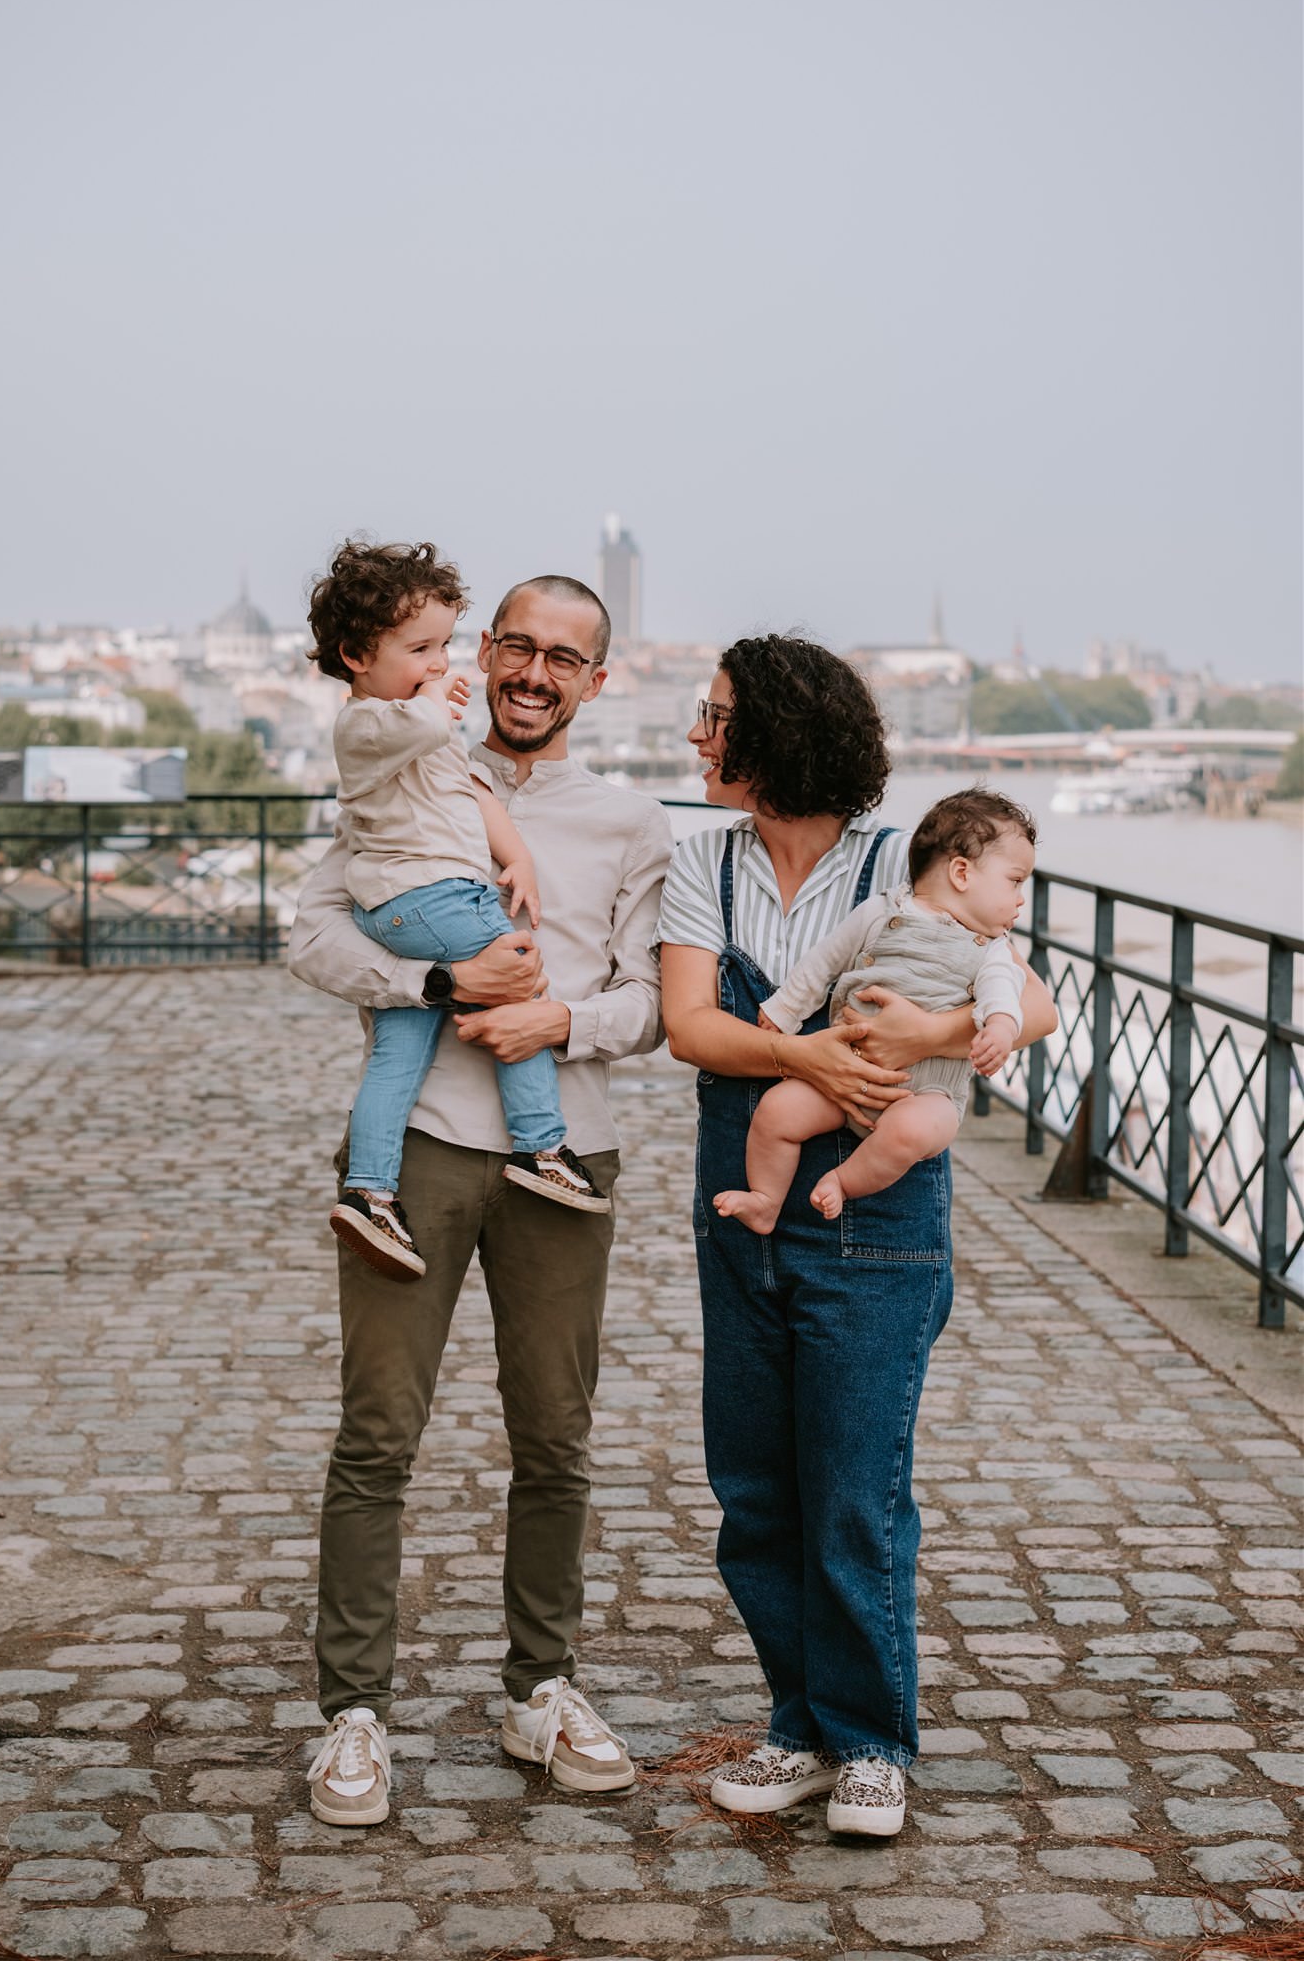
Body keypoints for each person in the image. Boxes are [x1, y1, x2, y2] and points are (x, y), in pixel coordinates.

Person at [288, 571, 672, 1826]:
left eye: (564, 657)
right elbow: (310, 936)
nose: (534, 672)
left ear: (594, 681)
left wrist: (558, 1019)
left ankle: (540, 1688)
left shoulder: (630, 820)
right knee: (376, 1436)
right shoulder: (411, 768)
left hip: (568, 1158)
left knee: (555, 1438)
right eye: (518, 645)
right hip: (420, 1150)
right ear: (488, 651)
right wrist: (434, 983)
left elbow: (651, 1003)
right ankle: (353, 1712)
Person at [658, 636, 1055, 1838]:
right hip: (748, 1184)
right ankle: (802, 1723)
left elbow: (1031, 999)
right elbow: (690, 1026)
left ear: (781, 731)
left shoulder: (903, 861)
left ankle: (873, 1740)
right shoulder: (703, 861)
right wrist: (813, 1056)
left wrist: (926, 1030)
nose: (698, 736)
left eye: (717, 716)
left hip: (879, 1209)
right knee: (754, 1486)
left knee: (853, 1487)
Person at [308, 540, 609, 1281]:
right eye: (422, 649)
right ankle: (542, 1144)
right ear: (356, 656)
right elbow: (427, 729)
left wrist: (518, 858)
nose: (438, 665)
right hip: (432, 895)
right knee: (517, 976)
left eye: (442, 647)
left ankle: (369, 1191)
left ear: (595, 680)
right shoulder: (368, 724)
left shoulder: (625, 822)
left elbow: (472, 793)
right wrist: (437, 696)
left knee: (395, 1054)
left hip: (410, 908)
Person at [714, 788, 1035, 1233]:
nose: (1021, 899)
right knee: (777, 1110)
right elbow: (824, 961)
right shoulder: (881, 912)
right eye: (1015, 881)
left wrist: (999, 1026)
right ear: (961, 873)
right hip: (844, 1074)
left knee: (910, 1132)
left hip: (926, 1094)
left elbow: (1004, 990)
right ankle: (765, 1199)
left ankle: (844, 1182)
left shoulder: (991, 947)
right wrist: (786, 1009)